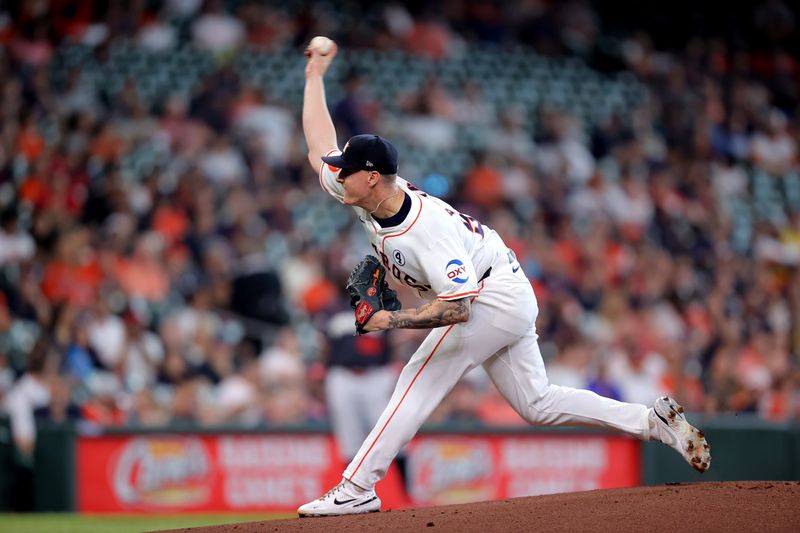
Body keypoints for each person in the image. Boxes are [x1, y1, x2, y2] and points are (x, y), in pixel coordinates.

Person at [297, 39, 711, 517]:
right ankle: (651, 420)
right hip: (499, 282)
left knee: (418, 378)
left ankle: (356, 486)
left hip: (490, 292)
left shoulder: (425, 230)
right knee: (537, 403)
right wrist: (315, 77)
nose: (335, 175)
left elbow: (459, 309)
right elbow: (316, 149)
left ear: (371, 177)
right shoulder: (363, 190)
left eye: (346, 171)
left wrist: (389, 321)